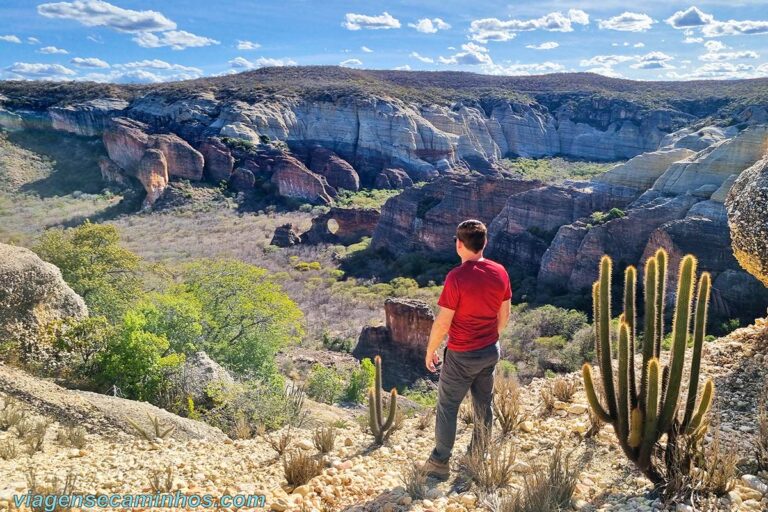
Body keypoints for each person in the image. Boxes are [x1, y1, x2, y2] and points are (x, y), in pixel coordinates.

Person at [421, 219, 512, 480]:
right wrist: (490, 337)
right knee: (484, 404)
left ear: (460, 244)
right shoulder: (500, 272)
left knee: (448, 406)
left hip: (461, 353)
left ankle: (439, 463)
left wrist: (431, 350)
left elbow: (443, 321)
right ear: (485, 243)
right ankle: (478, 455)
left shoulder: (457, 277)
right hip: (489, 350)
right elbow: (504, 315)